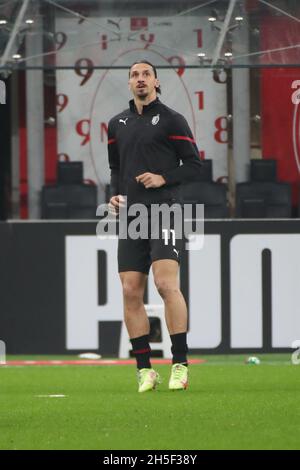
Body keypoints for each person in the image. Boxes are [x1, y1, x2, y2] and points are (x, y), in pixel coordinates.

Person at [107, 60, 203, 392]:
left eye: (146, 74)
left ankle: (179, 364)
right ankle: (145, 370)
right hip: (131, 217)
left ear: (157, 82)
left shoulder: (172, 120)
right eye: (135, 75)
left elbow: (194, 166)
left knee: (165, 285)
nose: (140, 79)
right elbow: (115, 169)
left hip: (164, 211)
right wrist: (114, 196)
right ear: (130, 84)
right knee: (130, 290)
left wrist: (164, 177)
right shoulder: (116, 123)